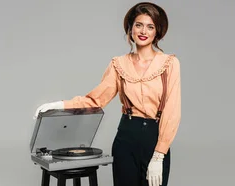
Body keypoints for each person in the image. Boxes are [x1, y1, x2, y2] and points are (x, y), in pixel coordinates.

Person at [32, 2, 181, 186]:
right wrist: (60, 105)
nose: (143, 31)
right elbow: (95, 100)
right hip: (126, 138)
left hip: (154, 138)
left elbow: (172, 112)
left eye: (150, 27)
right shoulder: (118, 64)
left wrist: (159, 155)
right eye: (138, 25)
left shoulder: (169, 64)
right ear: (131, 28)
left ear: (157, 31)